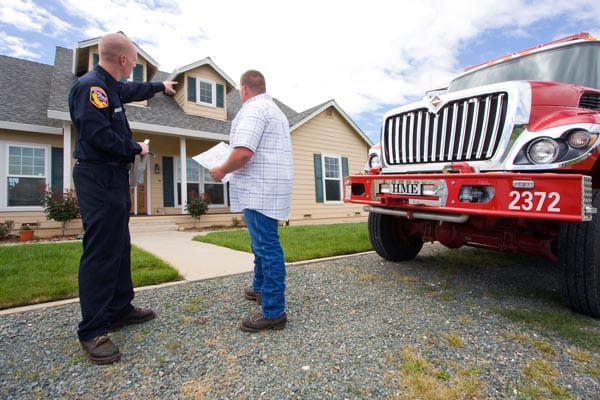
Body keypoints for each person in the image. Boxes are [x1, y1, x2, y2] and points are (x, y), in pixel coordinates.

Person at [68, 32, 177, 364]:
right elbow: (97, 135)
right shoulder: (92, 88)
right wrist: (137, 148)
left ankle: (119, 308)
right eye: (134, 62)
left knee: (118, 244)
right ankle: (93, 330)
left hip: (112, 177)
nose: (134, 70)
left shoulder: (111, 87)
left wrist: (161, 87)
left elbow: (134, 90)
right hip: (97, 175)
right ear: (125, 60)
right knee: (101, 250)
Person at [210, 70, 293, 332]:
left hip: (260, 189)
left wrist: (221, 169)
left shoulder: (253, 110)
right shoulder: (274, 111)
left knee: (266, 247)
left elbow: (243, 152)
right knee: (261, 243)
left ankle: (273, 311)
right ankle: (259, 288)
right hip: (270, 187)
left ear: (244, 90)